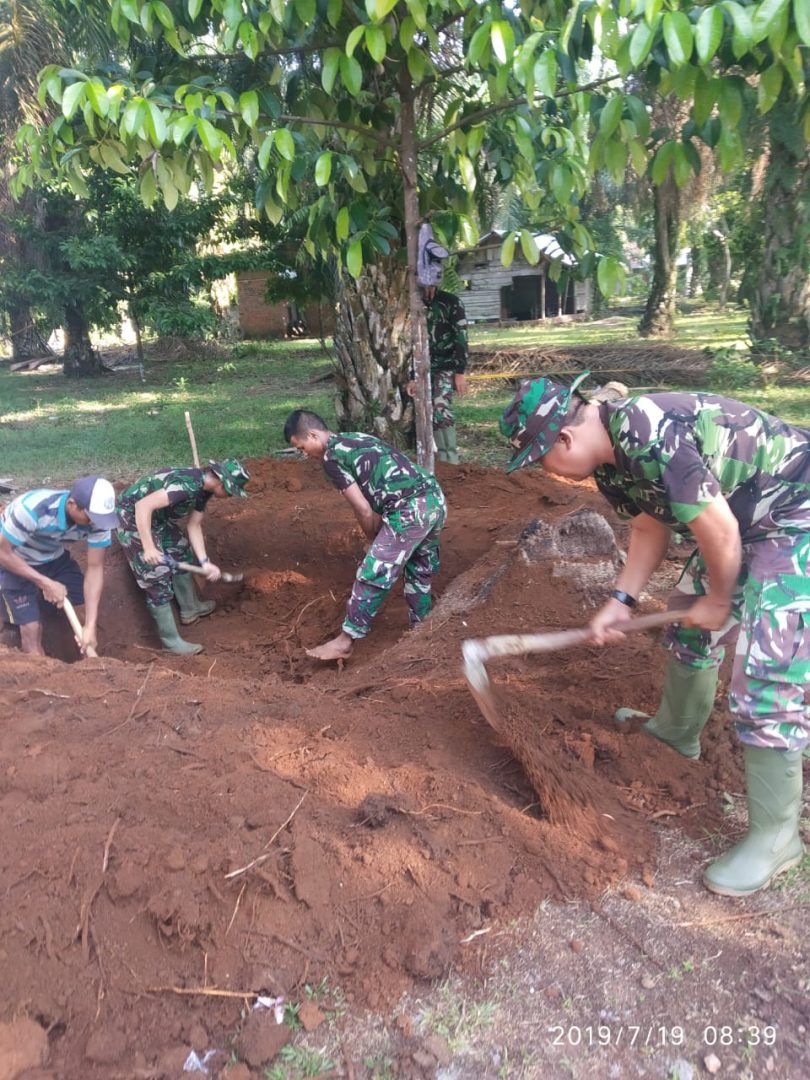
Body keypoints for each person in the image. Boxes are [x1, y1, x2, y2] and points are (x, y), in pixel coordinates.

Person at [500, 372, 810, 897]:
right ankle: (677, 731)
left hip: (793, 513)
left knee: (766, 672)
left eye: (540, 459)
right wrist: (621, 601)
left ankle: (777, 837)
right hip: (740, 519)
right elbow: (650, 526)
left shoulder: (647, 431)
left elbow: (719, 531)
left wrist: (719, 600)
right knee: (687, 627)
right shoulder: (611, 463)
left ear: (565, 439)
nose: (545, 472)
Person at [283, 409, 447, 661]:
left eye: (302, 447)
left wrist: (372, 536)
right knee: (418, 567)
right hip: (433, 499)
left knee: (374, 569)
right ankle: (424, 631)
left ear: (313, 435)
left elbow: (362, 508)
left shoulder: (331, 457)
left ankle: (345, 640)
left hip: (410, 510)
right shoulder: (355, 437)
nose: (305, 454)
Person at [117, 460, 250, 655]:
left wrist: (205, 562)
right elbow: (142, 506)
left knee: (181, 551)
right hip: (131, 517)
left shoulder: (204, 491)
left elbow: (194, 525)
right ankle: (170, 642)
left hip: (157, 519)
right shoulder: (184, 486)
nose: (229, 496)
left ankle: (190, 608)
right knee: (156, 575)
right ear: (222, 484)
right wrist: (148, 547)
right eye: (231, 491)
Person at [0, 476, 118, 655]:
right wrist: (45, 583)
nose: (95, 523)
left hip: (53, 558)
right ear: (72, 504)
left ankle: (39, 604)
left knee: (79, 601)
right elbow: (3, 553)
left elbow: (95, 568)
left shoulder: (99, 521)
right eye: (91, 517)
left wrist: (90, 625)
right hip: (14, 559)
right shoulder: (32, 510)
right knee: (31, 629)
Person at [408, 286, 468, 464]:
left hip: (446, 364)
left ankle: (450, 457)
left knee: (441, 406)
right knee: (426, 409)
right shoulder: (413, 304)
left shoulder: (451, 302)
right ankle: (437, 457)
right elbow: (409, 342)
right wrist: (412, 376)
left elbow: (461, 337)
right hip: (422, 365)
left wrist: (460, 372)